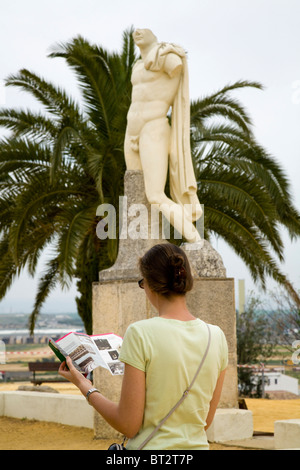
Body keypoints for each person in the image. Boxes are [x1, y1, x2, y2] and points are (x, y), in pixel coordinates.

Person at [59, 243, 228, 450]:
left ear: (149, 284)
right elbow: (205, 421)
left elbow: (128, 425)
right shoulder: (217, 337)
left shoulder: (140, 333)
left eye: (142, 282)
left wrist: (84, 386)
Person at [125, 29, 202, 243]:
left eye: (144, 30)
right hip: (132, 132)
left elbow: (177, 68)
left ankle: (195, 240)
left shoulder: (168, 57)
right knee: (134, 191)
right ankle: (140, 250)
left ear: (154, 36)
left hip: (154, 127)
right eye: (135, 31)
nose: (138, 32)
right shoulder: (138, 65)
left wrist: (168, 51)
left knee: (156, 195)